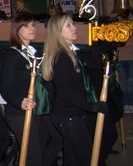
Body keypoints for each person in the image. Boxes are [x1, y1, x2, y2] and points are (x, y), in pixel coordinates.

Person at [41, 12, 108, 166]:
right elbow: (64, 92)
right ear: (58, 32)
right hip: (68, 117)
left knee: (72, 159)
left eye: (73, 23)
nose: (74, 27)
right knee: (87, 159)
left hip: (71, 114)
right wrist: (91, 106)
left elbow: (96, 63)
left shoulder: (71, 52)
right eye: (68, 25)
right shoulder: (63, 57)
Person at [1, 12, 59, 166]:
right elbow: (5, 88)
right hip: (19, 112)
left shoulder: (34, 53)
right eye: (26, 26)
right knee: (33, 156)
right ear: (17, 29)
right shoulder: (12, 55)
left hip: (38, 110)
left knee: (48, 145)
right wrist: (20, 102)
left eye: (33, 25)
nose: (31, 28)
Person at [115, 8, 133, 113]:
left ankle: (130, 103)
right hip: (121, 60)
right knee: (122, 83)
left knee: (130, 83)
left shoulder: (131, 33)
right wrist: (127, 45)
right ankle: (125, 104)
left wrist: (124, 45)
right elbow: (116, 47)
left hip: (131, 60)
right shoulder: (115, 33)